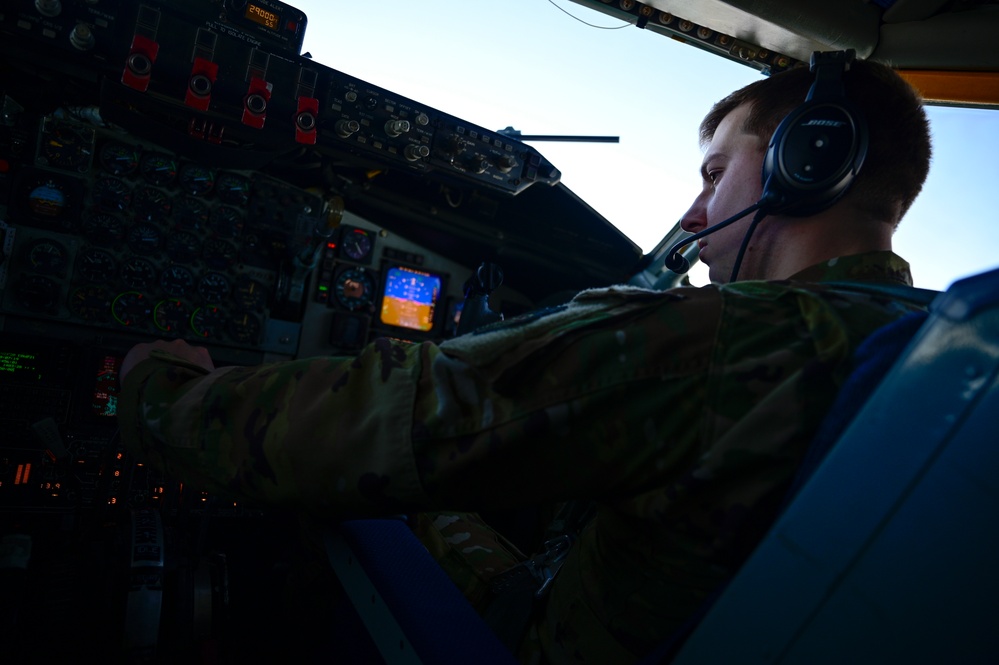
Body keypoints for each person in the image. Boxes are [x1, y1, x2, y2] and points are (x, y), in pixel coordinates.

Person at [118, 55, 931, 663]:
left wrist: (164, 386)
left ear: (808, 160)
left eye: (715, 173)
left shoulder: (718, 337)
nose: (693, 212)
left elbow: (372, 425)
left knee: (376, 495)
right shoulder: (919, 345)